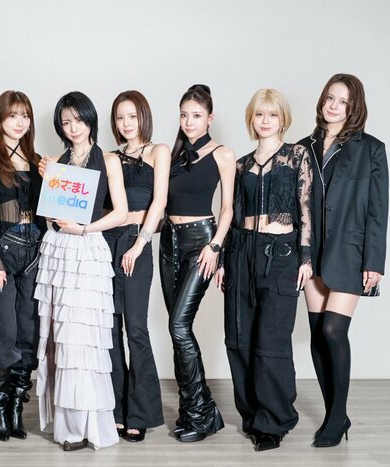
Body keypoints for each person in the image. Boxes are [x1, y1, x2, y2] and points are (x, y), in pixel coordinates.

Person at [217, 89, 312, 451]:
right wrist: (223, 261)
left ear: (282, 118)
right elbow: (231, 214)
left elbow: (306, 209)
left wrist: (306, 258)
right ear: (251, 119)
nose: (266, 120)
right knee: (239, 337)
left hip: (281, 252)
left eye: (272, 114)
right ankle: (252, 416)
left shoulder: (296, 155)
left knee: (271, 340)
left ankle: (274, 421)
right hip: (242, 251)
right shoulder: (240, 164)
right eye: (259, 114)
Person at [298, 74, 388, 448]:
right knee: (318, 333)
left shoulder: (371, 149)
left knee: (334, 331)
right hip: (310, 252)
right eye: (330, 98)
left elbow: (377, 210)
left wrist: (374, 261)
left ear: (354, 108)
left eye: (343, 101)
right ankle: (336, 412)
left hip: (349, 252)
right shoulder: (302, 148)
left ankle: (337, 417)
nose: (334, 106)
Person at [35, 91, 128, 451]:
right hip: (58, 249)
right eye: (65, 122)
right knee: (61, 339)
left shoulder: (109, 159)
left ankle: (91, 426)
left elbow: (120, 213)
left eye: (78, 120)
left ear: (90, 119)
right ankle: (70, 428)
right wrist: (47, 184)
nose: (73, 128)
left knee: (85, 340)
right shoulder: (56, 163)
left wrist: (85, 229)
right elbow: (50, 212)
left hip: (88, 249)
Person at [159, 84, 235, 442]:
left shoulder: (223, 154)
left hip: (201, 243)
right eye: (184, 115)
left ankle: (202, 412)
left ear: (210, 118)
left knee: (178, 326)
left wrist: (216, 248)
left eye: (197, 115)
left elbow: (228, 208)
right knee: (178, 331)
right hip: (168, 242)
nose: (189, 122)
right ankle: (193, 411)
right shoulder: (172, 155)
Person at [0, 90, 46, 442]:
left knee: (27, 334)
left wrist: (49, 176)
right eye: (13, 115)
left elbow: (49, 212)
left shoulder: (37, 161)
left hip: (34, 253)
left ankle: (17, 406)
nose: (20, 122)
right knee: (1, 332)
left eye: (25, 116)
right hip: (1, 250)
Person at [102, 90, 169, 442]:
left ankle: (140, 412)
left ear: (143, 116)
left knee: (136, 329)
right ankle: (115, 409)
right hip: (106, 241)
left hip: (136, 240)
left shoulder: (159, 151)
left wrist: (140, 244)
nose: (126, 123)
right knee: (110, 330)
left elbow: (159, 202)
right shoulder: (109, 157)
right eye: (120, 117)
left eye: (132, 116)